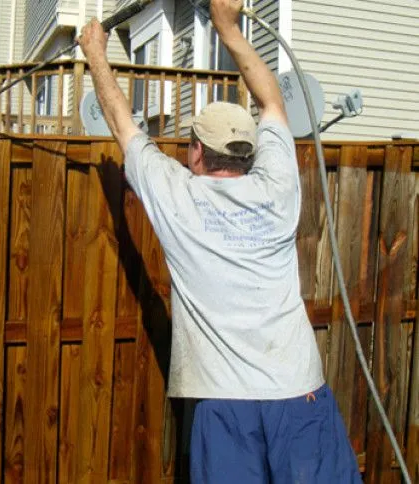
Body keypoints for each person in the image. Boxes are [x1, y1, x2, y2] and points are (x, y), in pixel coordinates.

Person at [78, 0, 362, 482]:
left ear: (195, 152)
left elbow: (124, 127)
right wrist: (229, 29)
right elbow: (273, 102)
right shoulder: (278, 189)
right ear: (249, 152)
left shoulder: (179, 200)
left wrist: (95, 53)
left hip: (225, 405)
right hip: (300, 393)